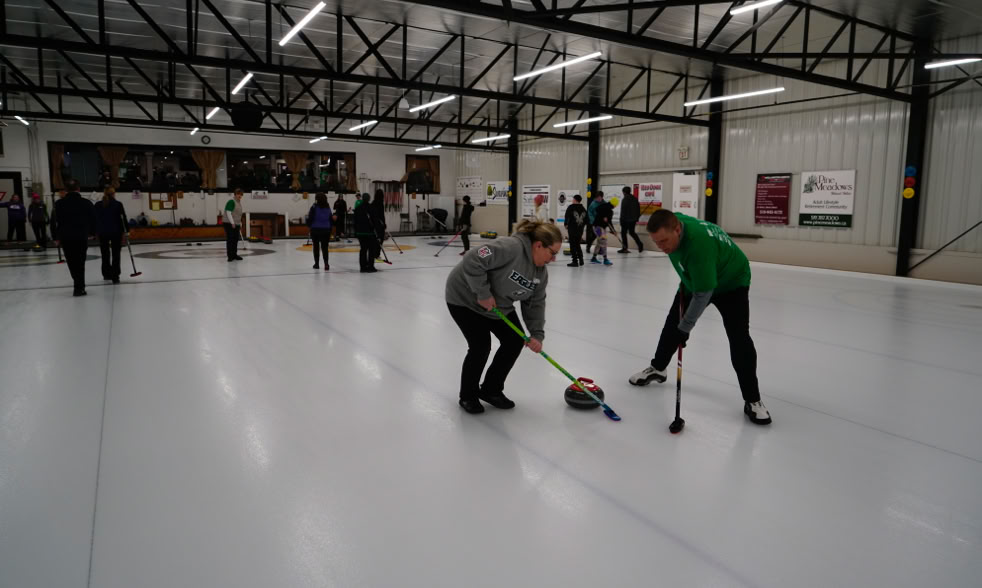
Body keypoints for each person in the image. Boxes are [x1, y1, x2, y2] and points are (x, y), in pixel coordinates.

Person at [629, 209, 771, 425]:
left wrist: (685, 328)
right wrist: (680, 328)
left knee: (739, 338)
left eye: (664, 241)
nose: (661, 247)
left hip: (731, 282)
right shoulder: (674, 223)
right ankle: (658, 368)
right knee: (672, 325)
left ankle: (753, 400)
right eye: (657, 242)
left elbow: (704, 293)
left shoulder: (698, 247)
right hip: (696, 278)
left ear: (677, 230)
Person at [445, 219, 562, 414]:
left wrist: (536, 334)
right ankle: (468, 395)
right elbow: (473, 258)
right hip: (465, 299)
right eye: (553, 253)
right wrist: (482, 293)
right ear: (538, 245)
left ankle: (491, 390)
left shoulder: (540, 274)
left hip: (498, 305)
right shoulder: (511, 248)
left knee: (514, 341)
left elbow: (535, 303)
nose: (554, 259)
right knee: (481, 346)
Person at [52, 180, 95, 296]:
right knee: (80, 261)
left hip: (66, 236)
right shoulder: (86, 203)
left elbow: (54, 221)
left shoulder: (59, 204)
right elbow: (93, 219)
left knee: (71, 261)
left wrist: (56, 237)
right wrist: (92, 233)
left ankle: (78, 284)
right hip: (81, 236)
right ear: (78, 189)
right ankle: (79, 287)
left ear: (66, 190)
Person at [93, 187, 127, 283]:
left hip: (103, 232)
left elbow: (95, 219)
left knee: (105, 254)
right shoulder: (118, 204)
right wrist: (126, 232)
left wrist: (95, 231)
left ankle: (106, 274)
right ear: (113, 194)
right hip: (116, 232)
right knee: (116, 254)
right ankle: (115, 276)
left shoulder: (98, 205)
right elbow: (123, 219)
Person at [306, 192, 335, 270]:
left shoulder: (314, 207)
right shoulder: (328, 207)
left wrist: (308, 225)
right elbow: (330, 218)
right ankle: (326, 264)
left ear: (317, 199)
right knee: (325, 247)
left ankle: (317, 264)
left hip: (315, 229)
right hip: (326, 229)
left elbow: (310, 217)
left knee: (316, 247)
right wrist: (330, 229)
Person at [588, 191, 614, 266]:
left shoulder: (604, 203)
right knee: (603, 240)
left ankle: (594, 258)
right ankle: (605, 259)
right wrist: (593, 221)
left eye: (600, 198)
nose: (598, 199)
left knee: (599, 242)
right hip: (597, 226)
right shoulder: (593, 204)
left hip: (602, 226)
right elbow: (590, 213)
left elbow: (607, 214)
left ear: (602, 197)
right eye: (597, 198)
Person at [353, 192, 376, 273]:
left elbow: (355, 221)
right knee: (371, 250)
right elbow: (375, 220)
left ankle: (363, 267)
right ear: (369, 199)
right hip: (370, 232)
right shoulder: (371, 208)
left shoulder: (358, 208)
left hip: (360, 232)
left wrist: (356, 231)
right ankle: (370, 266)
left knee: (363, 249)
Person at [617, 186, 644, 253]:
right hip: (633, 220)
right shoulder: (635, 199)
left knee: (623, 233)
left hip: (625, 220)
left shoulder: (625, 199)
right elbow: (638, 209)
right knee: (632, 232)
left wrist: (621, 220)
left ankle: (625, 248)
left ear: (624, 192)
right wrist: (637, 218)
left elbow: (623, 211)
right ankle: (640, 244)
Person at [564, 194, 587, 267]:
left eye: (573, 199)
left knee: (572, 245)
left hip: (572, 229)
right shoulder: (583, 209)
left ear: (574, 200)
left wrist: (566, 224)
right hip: (580, 230)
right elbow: (586, 220)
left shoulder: (571, 207)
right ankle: (581, 259)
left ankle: (575, 261)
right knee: (577, 244)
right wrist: (582, 227)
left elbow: (567, 216)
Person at [222, 189, 245, 262]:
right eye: (238, 194)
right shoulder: (231, 201)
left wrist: (240, 222)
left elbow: (238, 214)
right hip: (229, 223)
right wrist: (232, 223)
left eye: (241, 194)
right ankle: (230, 256)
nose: (240, 196)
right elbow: (228, 213)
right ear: (235, 194)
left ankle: (234, 255)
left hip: (236, 223)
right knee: (230, 239)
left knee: (235, 240)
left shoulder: (239, 203)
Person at [371, 189, 387, 262]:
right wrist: (383, 223)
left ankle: (374, 254)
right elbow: (381, 215)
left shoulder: (373, 203)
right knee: (380, 239)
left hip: (374, 224)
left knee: (376, 239)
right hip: (379, 224)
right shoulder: (380, 203)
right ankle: (377, 254)